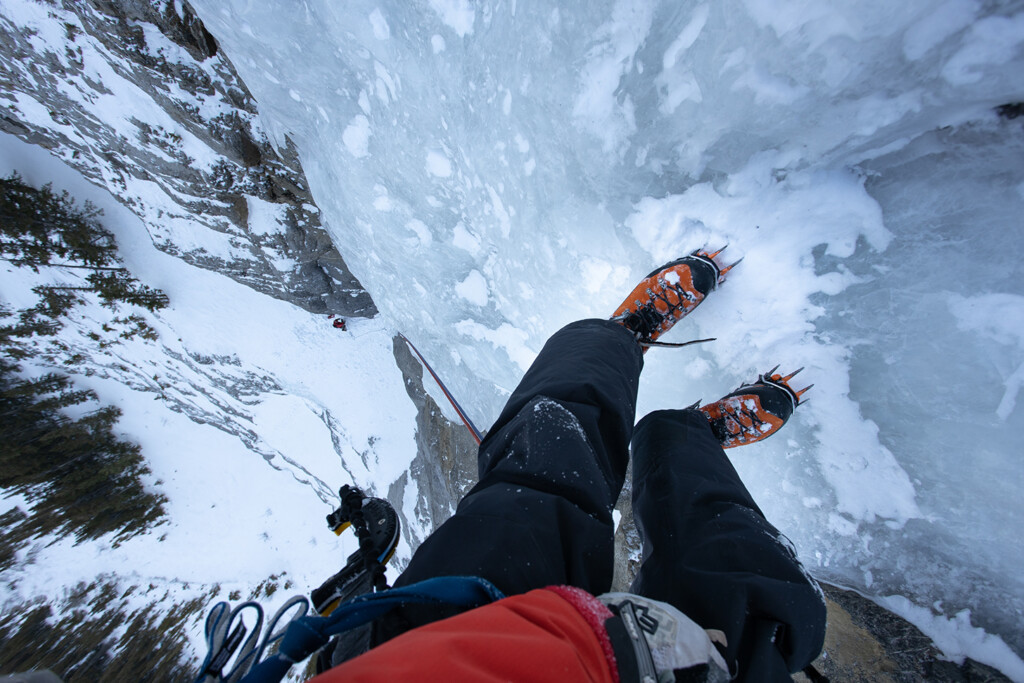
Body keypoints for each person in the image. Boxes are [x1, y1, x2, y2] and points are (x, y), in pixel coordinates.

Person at [311, 249, 826, 682]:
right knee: (735, 584)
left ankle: (625, 335)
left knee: (541, 473)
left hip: (430, 648)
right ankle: (690, 436)